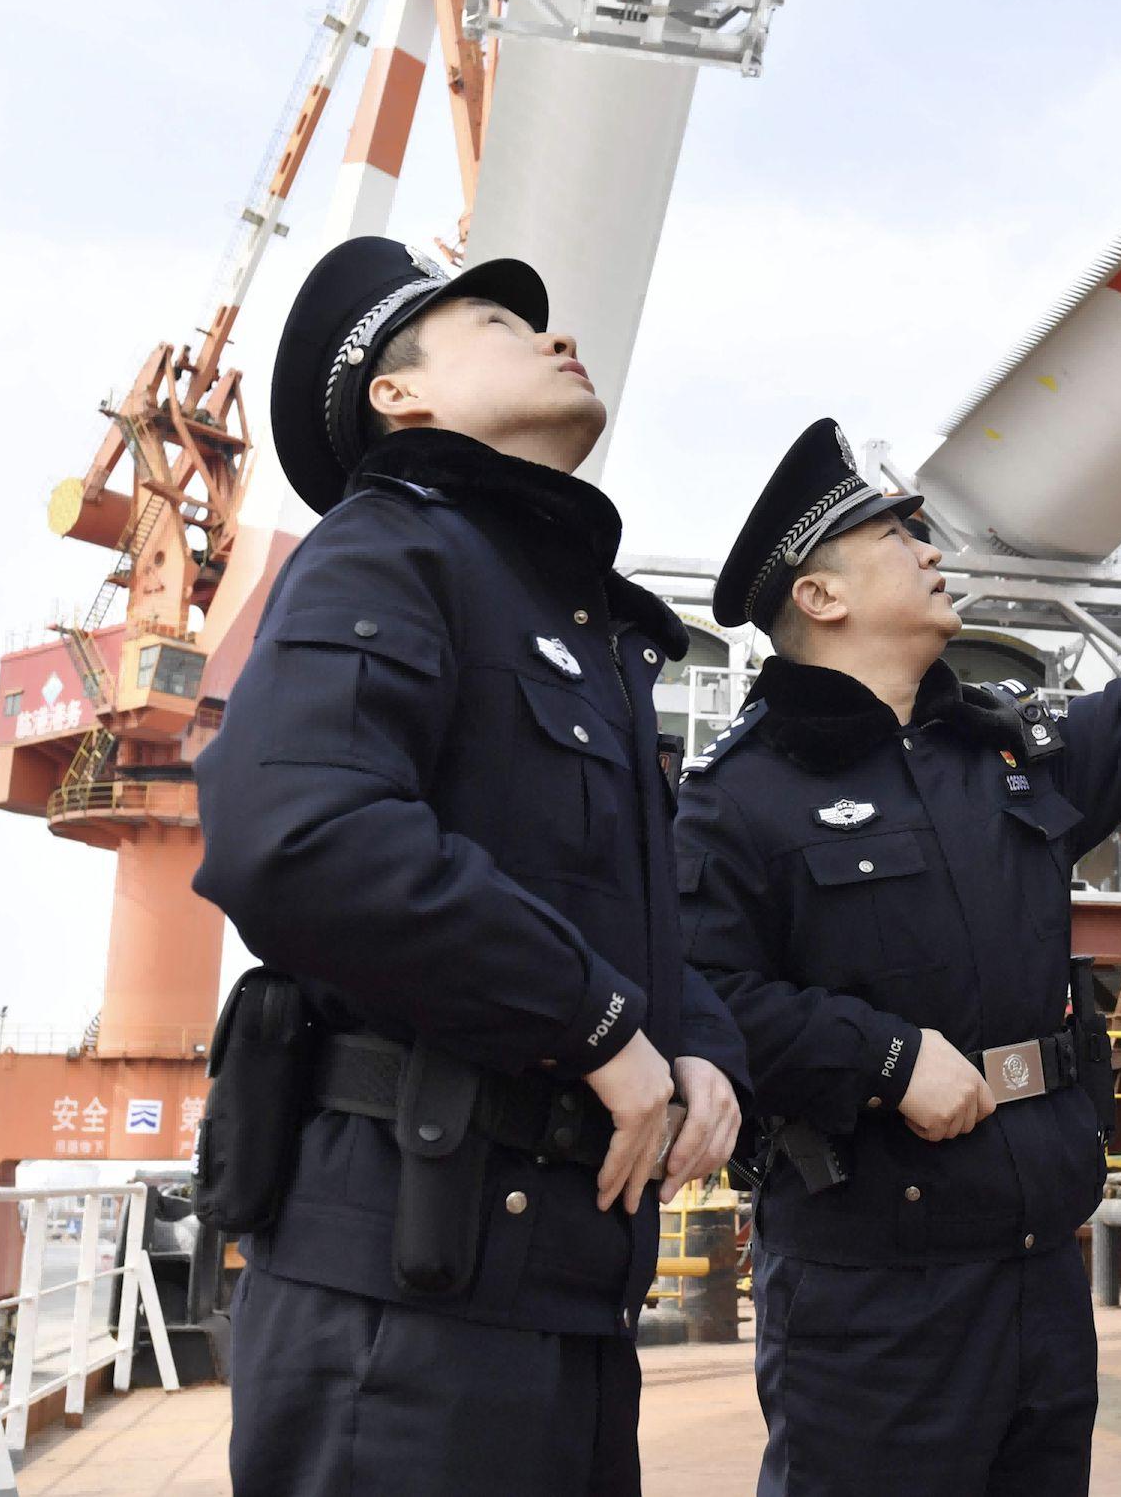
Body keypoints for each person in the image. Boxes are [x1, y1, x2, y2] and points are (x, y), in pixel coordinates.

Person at [678, 395, 1121, 1497]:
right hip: (871, 1294)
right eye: (897, 536)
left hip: (1035, 1269)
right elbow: (699, 992)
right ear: (821, 596)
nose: (930, 551)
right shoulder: (741, 797)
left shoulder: (1001, 754)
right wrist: (884, 1060)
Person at [191, 235, 748, 1497]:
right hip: (403, 1304)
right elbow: (301, 834)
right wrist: (593, 1022)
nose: (558, 337)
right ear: (399, 394)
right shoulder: (388, 550)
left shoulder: (585, 634)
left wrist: (707, 1050)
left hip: (567, 1289)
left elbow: (634, 914)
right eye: (499, 324)